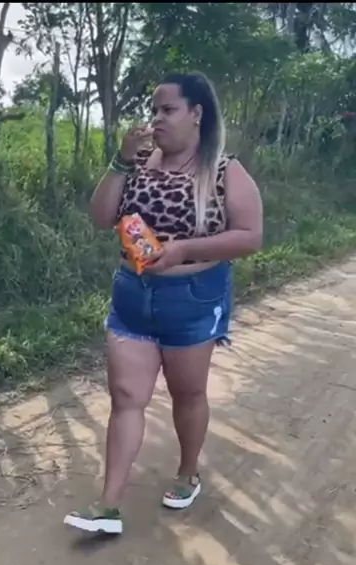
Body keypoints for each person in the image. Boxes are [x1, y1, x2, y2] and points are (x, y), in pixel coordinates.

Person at [64, 71, 263, 535]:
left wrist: (183, 250)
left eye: (168, 109)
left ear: (197, 113)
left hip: (192, 299)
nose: (157, 118)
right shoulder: (137, 163)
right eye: (154, 109)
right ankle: (108, 506)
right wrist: (120, 160)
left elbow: (250, 237)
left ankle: (188, 472)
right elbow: (101, 217)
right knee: (126, 397)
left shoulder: (224, 170)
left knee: (187, 395)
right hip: (132, 295)